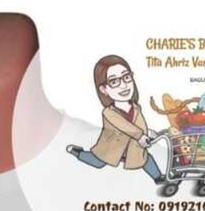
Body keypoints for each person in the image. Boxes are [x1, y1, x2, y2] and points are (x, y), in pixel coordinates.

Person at [67, 54, 165, 183]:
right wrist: (140, 136)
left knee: (146, 159)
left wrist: (148, 132)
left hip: (131, 147)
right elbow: (124, 125)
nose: (123, 85)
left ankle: (158, 178)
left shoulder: (136, 107)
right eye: (114, 82)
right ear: (104, 89)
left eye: (126, 77)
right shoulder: (109, 113)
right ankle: (78, 153)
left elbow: (139, 125)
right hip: (113, 147)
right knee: (98, 162)